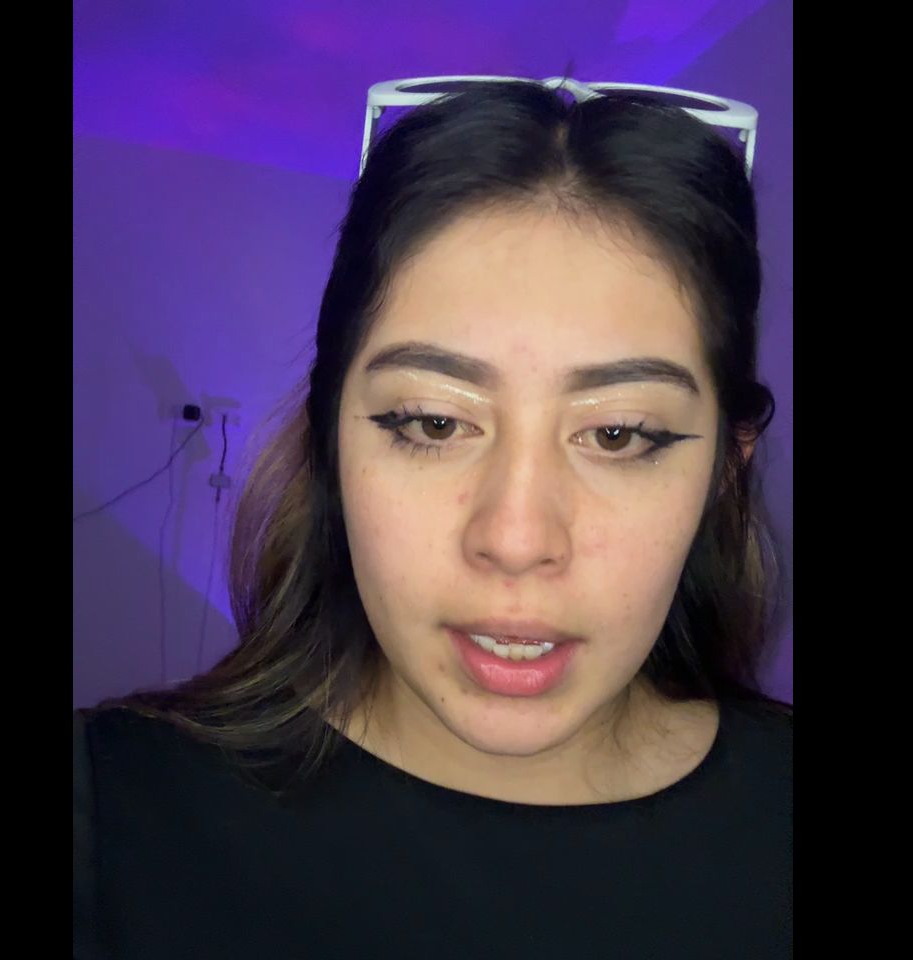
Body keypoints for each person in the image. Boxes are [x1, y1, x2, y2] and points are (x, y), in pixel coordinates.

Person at [74, 77, 792, 959]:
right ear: (330, 439)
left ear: (724, 471)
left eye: (619, 433)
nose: (515, 539)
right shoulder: (112, 819)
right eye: (434, 424)